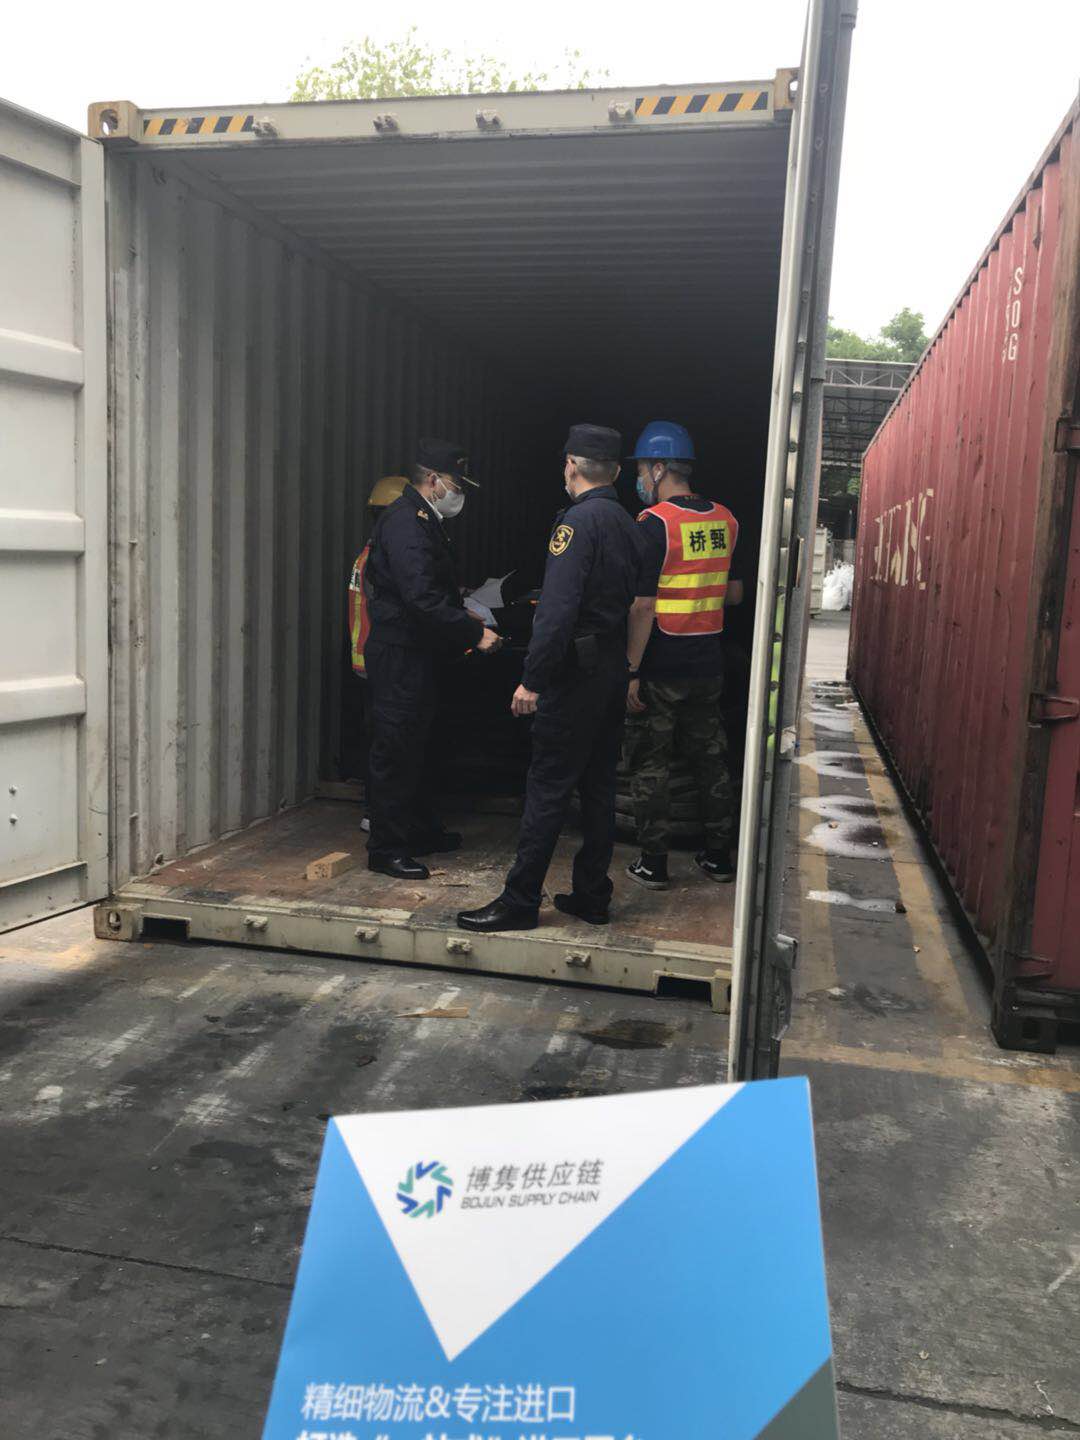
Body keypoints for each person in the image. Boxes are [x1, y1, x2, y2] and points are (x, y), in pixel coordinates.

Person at [458, 425, 642, 933]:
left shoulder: (577, 524)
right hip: (610, 670)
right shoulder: (628, 523)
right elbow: (636, 602)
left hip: (574, 675)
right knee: (599, 787)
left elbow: (556, 611)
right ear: (616, 471)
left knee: (547, 789)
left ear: (571, 465)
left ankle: (520, 901)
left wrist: (532, 679)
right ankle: (592, 895)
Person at [364, 439, 500, 881]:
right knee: (396, 749)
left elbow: (431, 590)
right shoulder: (406, 522)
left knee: (422, 746)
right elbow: (420, 598)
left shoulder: (425, 519)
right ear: (433, 479)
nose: (459, 493)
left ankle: (419, 831)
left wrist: (460, 610)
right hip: (400, 654)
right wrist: (474, 633)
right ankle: (386, 849)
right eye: (456, 484)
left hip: (420, 653)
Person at [623, 421, 742, 889]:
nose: (640, 480)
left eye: (641, 470)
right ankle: (718, 857)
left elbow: (642, 606)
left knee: (651, 763)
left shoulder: (654, 524)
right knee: (710, 760)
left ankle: (653, 863)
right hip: (707, 661)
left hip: (661, 665)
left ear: (657, 469)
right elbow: (734, 594)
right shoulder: (726, 520)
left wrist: (632, 670)